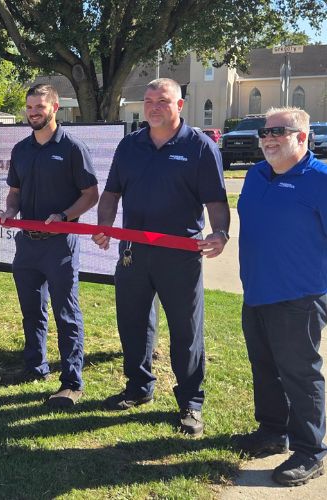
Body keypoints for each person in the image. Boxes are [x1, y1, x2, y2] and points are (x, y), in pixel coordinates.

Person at [233, 107, 327, 486]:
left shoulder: (325, 181)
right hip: (256, 291)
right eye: (264, 132)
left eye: (279, 131)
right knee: (264, 366)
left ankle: (310, 451)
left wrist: (318, 277)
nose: (268, 138)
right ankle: (272, 431)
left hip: (299, 298)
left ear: (302, 137)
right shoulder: (256, 175)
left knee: (300, 373)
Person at [92, 78, 229, 436]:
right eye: (149, 100)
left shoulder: (199, 146)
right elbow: (111, 194)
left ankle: (190, 403)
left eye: (162, 101)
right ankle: (138, 387)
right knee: (133, 323)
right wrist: (104, 225)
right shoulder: (130, 146)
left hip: (180, 255)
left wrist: (220, 233)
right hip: (132, 253)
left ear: (179, 105)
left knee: (185, 329)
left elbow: (216, 199)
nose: (154, 106)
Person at [0, 84, 99, 408]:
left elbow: (91, 194)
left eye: (39, 107)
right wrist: (10, 211)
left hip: (60, 247)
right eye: (29, 107)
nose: (33, 112)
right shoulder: (21, 149)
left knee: (66, 314)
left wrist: (66, 216)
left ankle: (72, 382)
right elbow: (14, 191)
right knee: (32, 312)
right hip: (27, 246)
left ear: (55, 108)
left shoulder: (71, 147)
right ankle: (35, 367)